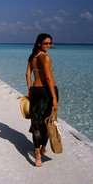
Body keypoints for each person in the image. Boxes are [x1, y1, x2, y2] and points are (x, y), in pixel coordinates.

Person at [26, 33, 59, 167]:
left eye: (50, 43)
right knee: (47, 122)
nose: (49, 46)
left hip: (35, 91)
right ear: (39, 43)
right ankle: (42, 150)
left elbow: (28, 74)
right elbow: (48, 79)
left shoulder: (32, 57)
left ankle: (38, 152)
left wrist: (30, 91)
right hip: (47, 92)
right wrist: (54, 99)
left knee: (36, 122)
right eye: (46, 43)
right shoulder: (46, 58)